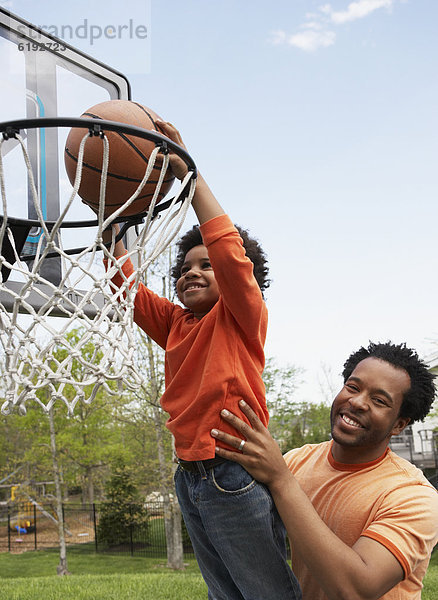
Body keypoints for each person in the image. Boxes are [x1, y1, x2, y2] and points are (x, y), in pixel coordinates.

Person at [103, 121, 301, 600]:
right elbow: (125, 289)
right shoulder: (175, 324)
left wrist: (190, 177)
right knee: (224, 593)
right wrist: (110, 218)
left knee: (264, 593)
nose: (193, 271)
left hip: (231, 471)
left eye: (204, 265)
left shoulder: (240, 316)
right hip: (189, 475)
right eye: (185, 267)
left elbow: (229, 254)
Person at [211, 341, 438, 600]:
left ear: (399, 425)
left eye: (378, 400)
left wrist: (281, 480)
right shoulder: (297, 461)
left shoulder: (415, 497)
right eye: (353, 387)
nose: (358, 402)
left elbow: (355, 590)